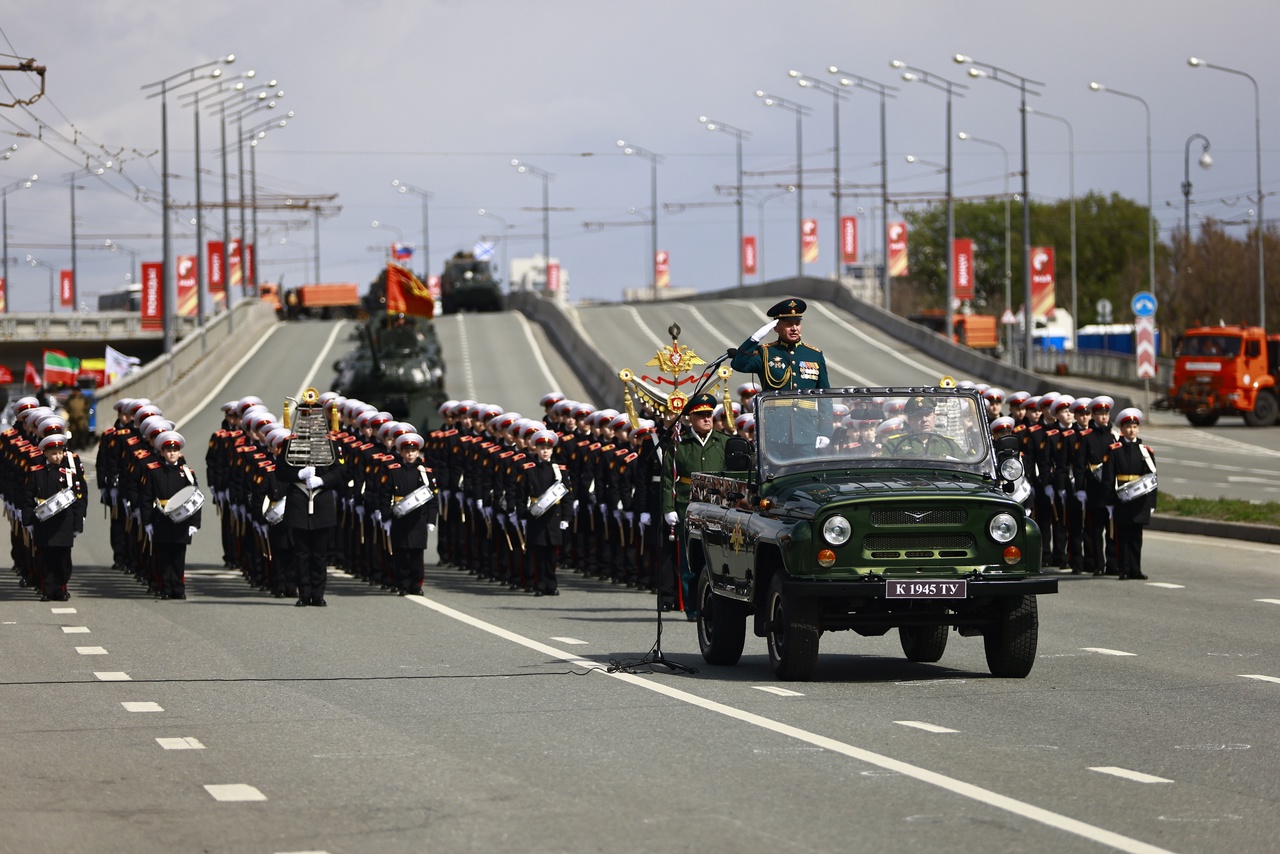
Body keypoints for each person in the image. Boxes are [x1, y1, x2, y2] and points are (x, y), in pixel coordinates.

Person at [731, 298, 832, 457]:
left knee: (805, 477)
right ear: (776, 328)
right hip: (774, 431)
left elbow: (825, 396)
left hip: (807, 431)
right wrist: (754, 339)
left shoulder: (814, 355)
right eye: (788, 324)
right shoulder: (766, 353)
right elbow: (738, 364)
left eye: (797, 324)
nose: (794, 328)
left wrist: (825, 431)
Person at [660, 393, 728, 620]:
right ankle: (692, 608)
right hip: (686, 505)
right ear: (690, 418)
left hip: (717, 506)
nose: (707, 419)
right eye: (701, 416)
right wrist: (668, 508)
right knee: (690, 561)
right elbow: (669, 478)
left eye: (709, 415)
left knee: (718, 557)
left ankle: (718, 606)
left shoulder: (723, 442)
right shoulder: (679, 445)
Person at [23, 433, 88, 601]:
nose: (58, 456)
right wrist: (28, 521)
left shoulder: (68, 474)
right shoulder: (37, 473)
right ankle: (47, 590)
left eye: (60, 452)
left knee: (63, 559)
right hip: (44, 522)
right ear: (44, 453)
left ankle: (61, 589)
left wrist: (77, 524)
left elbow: (78, 500)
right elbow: (28, 498)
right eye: (53, 453)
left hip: (63, 521)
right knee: (45, 559)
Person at [142, 431, 202, 600]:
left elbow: (195, 498)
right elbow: (146, 498)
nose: (172, 453)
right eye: (168, 450)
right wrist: (147, 522)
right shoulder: (153, 471)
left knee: (178, 555)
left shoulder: (187, 473)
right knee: (163, 555)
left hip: (182, 520)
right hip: (161, 518)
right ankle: (165, 588)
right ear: (162, 452)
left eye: (175, 450)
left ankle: (178, 587)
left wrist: (194, 523)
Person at [1106, 408, 1157, 580]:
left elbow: (1152, 480)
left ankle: (1136, 569)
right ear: (1122, 429)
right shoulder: (1115, 450)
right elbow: (1108, 477)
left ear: (1138, 429)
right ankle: (1124, 569)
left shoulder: (1146, 452)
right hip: (1122, 499)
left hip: (1140, 501)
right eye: (1128, 427)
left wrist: (1152, 504)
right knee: (1123, 536)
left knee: (1137, 537)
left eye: (1135, 426)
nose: (1131, 430)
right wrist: (1110, 501)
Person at [520, 429, 572, 596]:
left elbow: (567, 495)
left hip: (554, 515)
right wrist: (521, 515)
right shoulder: (529, 468)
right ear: (536, 449)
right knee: (539, 552)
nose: (544, 451)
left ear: (552, 450)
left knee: (552, 552)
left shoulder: (560, 469)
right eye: (541, 448)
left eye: (548, 448)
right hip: (537, 515)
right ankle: (540, 584)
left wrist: (566, 517)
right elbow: (523, 493)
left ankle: (552, 583)